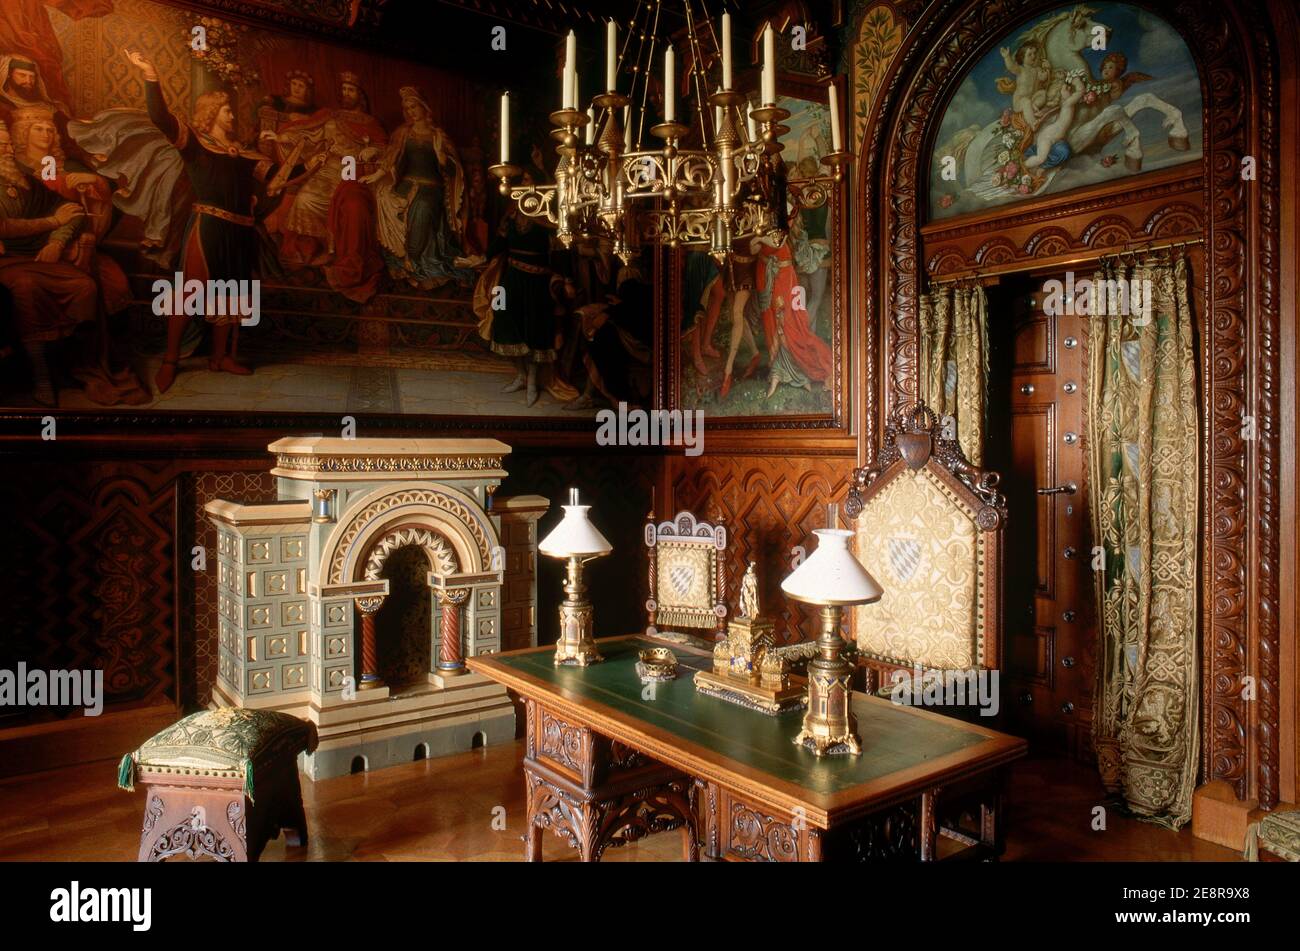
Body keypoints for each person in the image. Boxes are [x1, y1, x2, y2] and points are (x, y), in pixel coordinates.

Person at [124, 47, 320, 393]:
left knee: (231, 297)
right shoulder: (197, 145)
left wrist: (313, 163)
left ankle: (220, 357)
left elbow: (279, 174)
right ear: (212, 113)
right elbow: (160, 117)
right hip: (208, 226)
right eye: (227, 109)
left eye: (231, 109)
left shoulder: (244, 154)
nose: (233, 115)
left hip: (240, 230)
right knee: (189, 293)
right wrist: (151, 75)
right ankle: (171, 359)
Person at [270, 71, 387, 301]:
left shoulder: (371, 123)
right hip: (327, 165)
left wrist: (374, 150)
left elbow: (385, 148)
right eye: (343, 89)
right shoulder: (330, 115)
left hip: (352, 166)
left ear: (361, 95)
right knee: (305, 198)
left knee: (349, 200)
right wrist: (283, 138)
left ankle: (339, 252)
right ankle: (313, 250)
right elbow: (308, 134)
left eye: (351, 90)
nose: (346, 93)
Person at [367, 86, 473, 289]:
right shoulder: (402, 133)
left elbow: (454, 172)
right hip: (406, 184)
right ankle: (400, 257)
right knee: (383, 196)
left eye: (414, 106)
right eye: (407, 108)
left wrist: (442, 158)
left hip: (431, 187)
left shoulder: (437, 135)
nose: (411, 112)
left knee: (422, 207)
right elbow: (391, 159)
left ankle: (414, 258)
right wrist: (377, 175)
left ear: (424, 107)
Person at [481, 167, 558, 407]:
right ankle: (521, 375)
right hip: (510, 280)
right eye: (522, 180)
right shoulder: (512, 214)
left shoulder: (547, 216)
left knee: (534, 329)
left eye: (528, 179)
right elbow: (499, 244)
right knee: (502, 317)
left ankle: (533, 380)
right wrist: (481, 258)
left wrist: (563, 280)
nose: (524, 183)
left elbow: (559, 253)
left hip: (537, 283)